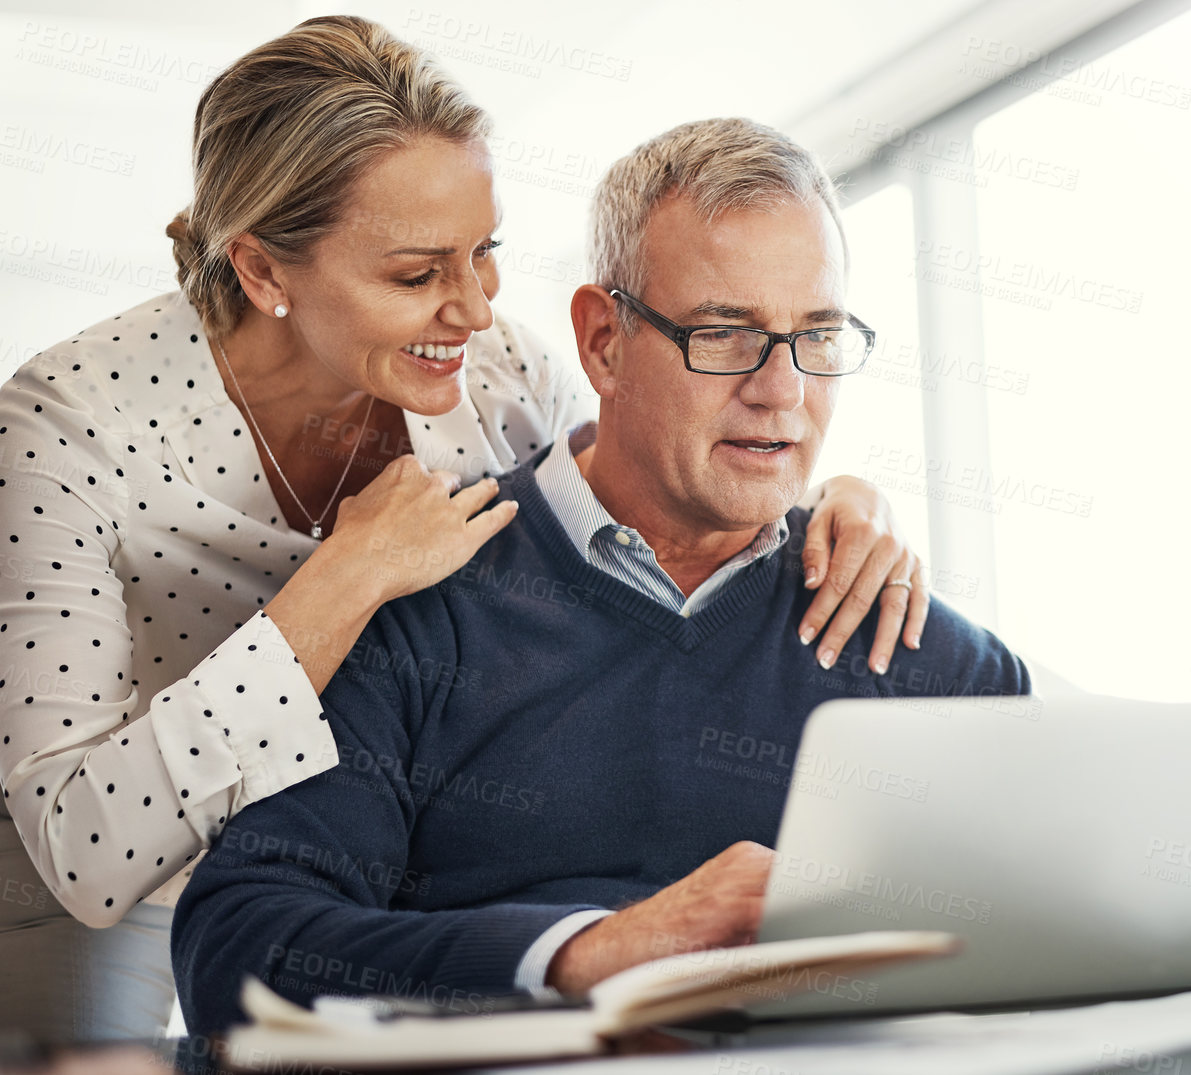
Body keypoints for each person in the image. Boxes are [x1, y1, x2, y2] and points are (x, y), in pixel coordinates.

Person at [0, 18, 929, 1044]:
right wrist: (343, 580)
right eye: (416, 275)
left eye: (483, 254)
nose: (476, 310)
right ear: (263, 271)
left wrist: (834, 502)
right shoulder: (68, 430)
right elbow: (83, 849)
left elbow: (660, 475)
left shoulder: (496, 376)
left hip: (345, 838)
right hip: (112, 868)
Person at [170, 116, 1034, 1038]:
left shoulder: (925, 653)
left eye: (816, 336)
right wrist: (583, 954)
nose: (782, 392)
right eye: (724, 335)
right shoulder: (419, 608)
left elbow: (1077, 936)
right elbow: (239, 952)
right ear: (603, 342)